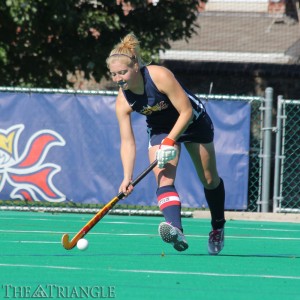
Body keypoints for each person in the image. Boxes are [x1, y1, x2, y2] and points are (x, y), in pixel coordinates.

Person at [106, 33, 226, 255]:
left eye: (122, 72)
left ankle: (217, 226)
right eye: (113, 74)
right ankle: (176, 229)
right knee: (163, 177)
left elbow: (186, 111)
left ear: (135, 67)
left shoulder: (159, 75)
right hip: (160, 129)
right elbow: (127, 141)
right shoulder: (123, 100)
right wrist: (127, 177)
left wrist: (171, 142)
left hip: (193, 122)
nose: (119, 78)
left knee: (209, 179)